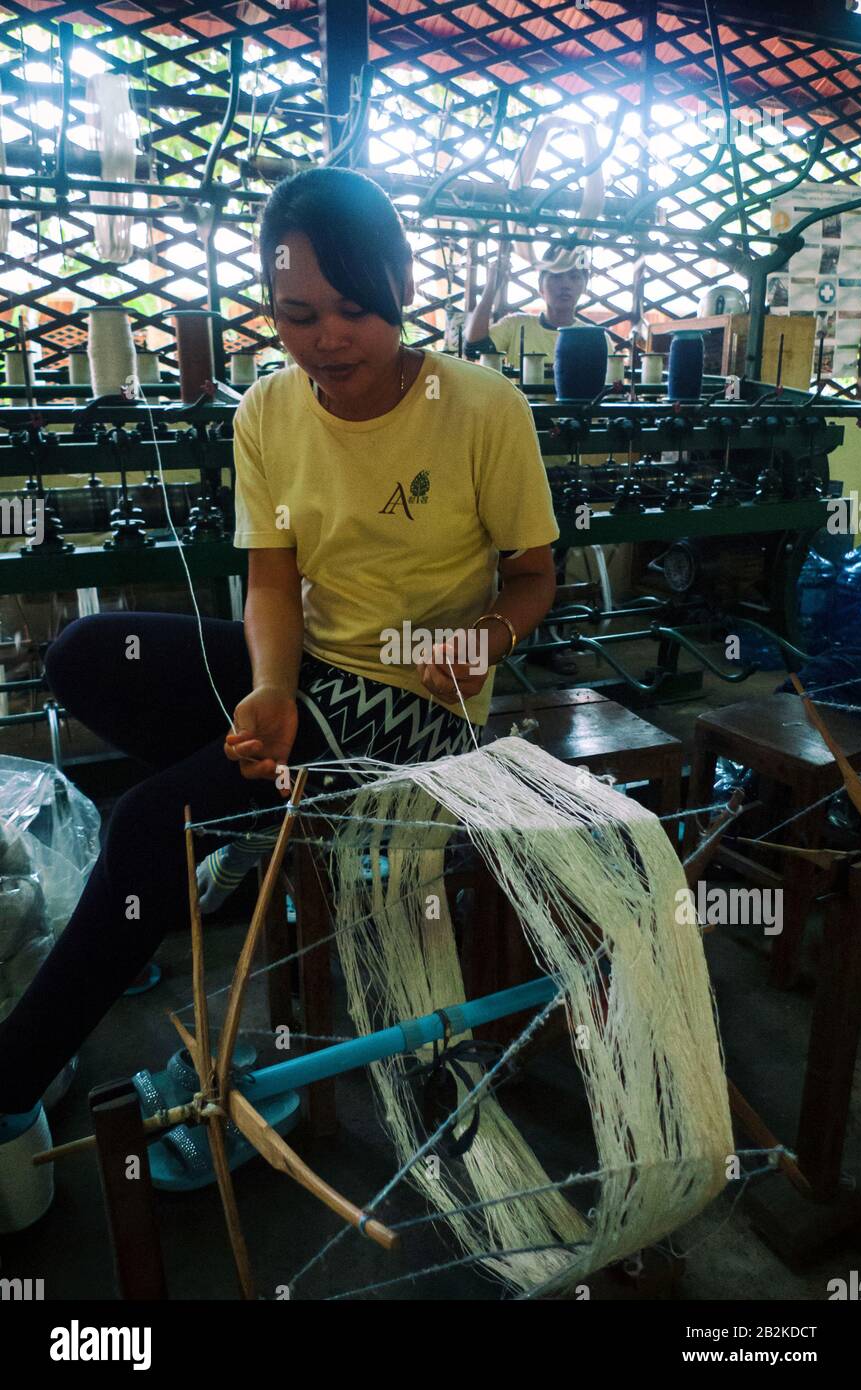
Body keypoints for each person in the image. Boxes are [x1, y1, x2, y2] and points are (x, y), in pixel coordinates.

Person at [0, 166, 560, 1228]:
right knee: (83, 654)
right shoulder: (265, 407)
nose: (330, 338)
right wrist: (265, 689)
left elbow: (535, 573)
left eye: (356, 308)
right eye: (299, 313)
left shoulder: (482, 407)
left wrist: (486, 635)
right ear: (271, 306)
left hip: (417, 700)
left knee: (145, 822)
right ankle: (251, 785)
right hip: (309, 669)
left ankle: (13, 1074)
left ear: (400, 286)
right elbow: (270, 578)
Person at [464, 243, 589, 367]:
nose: (565, 285)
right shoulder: (515, 325)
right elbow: (474, 348)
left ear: (585, 286)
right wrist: (491, 286)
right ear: (540, 286)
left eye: (574, 277)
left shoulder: (594, 338)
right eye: (556, 277)